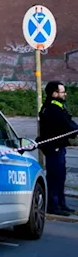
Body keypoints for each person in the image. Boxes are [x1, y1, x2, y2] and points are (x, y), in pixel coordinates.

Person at [38, 81, 78, 215]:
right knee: (55, 177)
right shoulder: (52, 108)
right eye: (62, 92)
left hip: (58, 147)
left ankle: (61, 203)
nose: (65, 94)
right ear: (55, 93)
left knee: (60, 177)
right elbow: (66, 125)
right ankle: (53, 205)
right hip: (53, 147)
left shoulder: (57, 106)